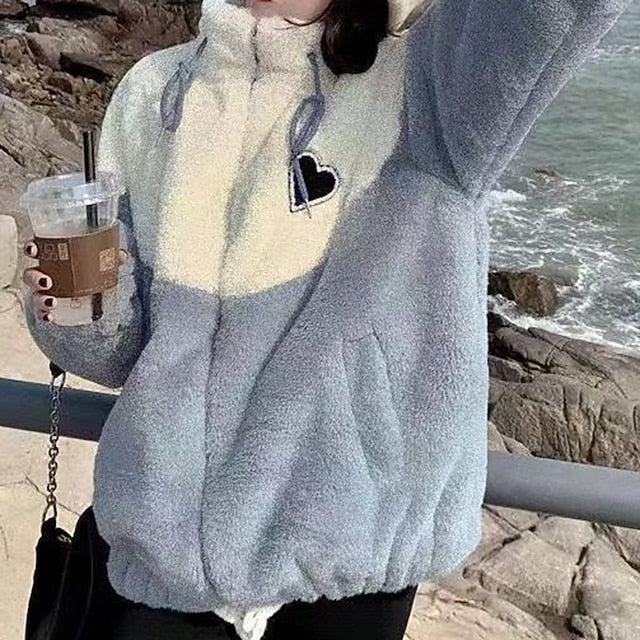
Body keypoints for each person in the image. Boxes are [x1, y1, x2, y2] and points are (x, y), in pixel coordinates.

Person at [21, 0, 632, 638]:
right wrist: (73, 307)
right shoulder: (152, 91)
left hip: (345, 575)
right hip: (158, 557)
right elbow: (116, 352)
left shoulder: (433, 83)